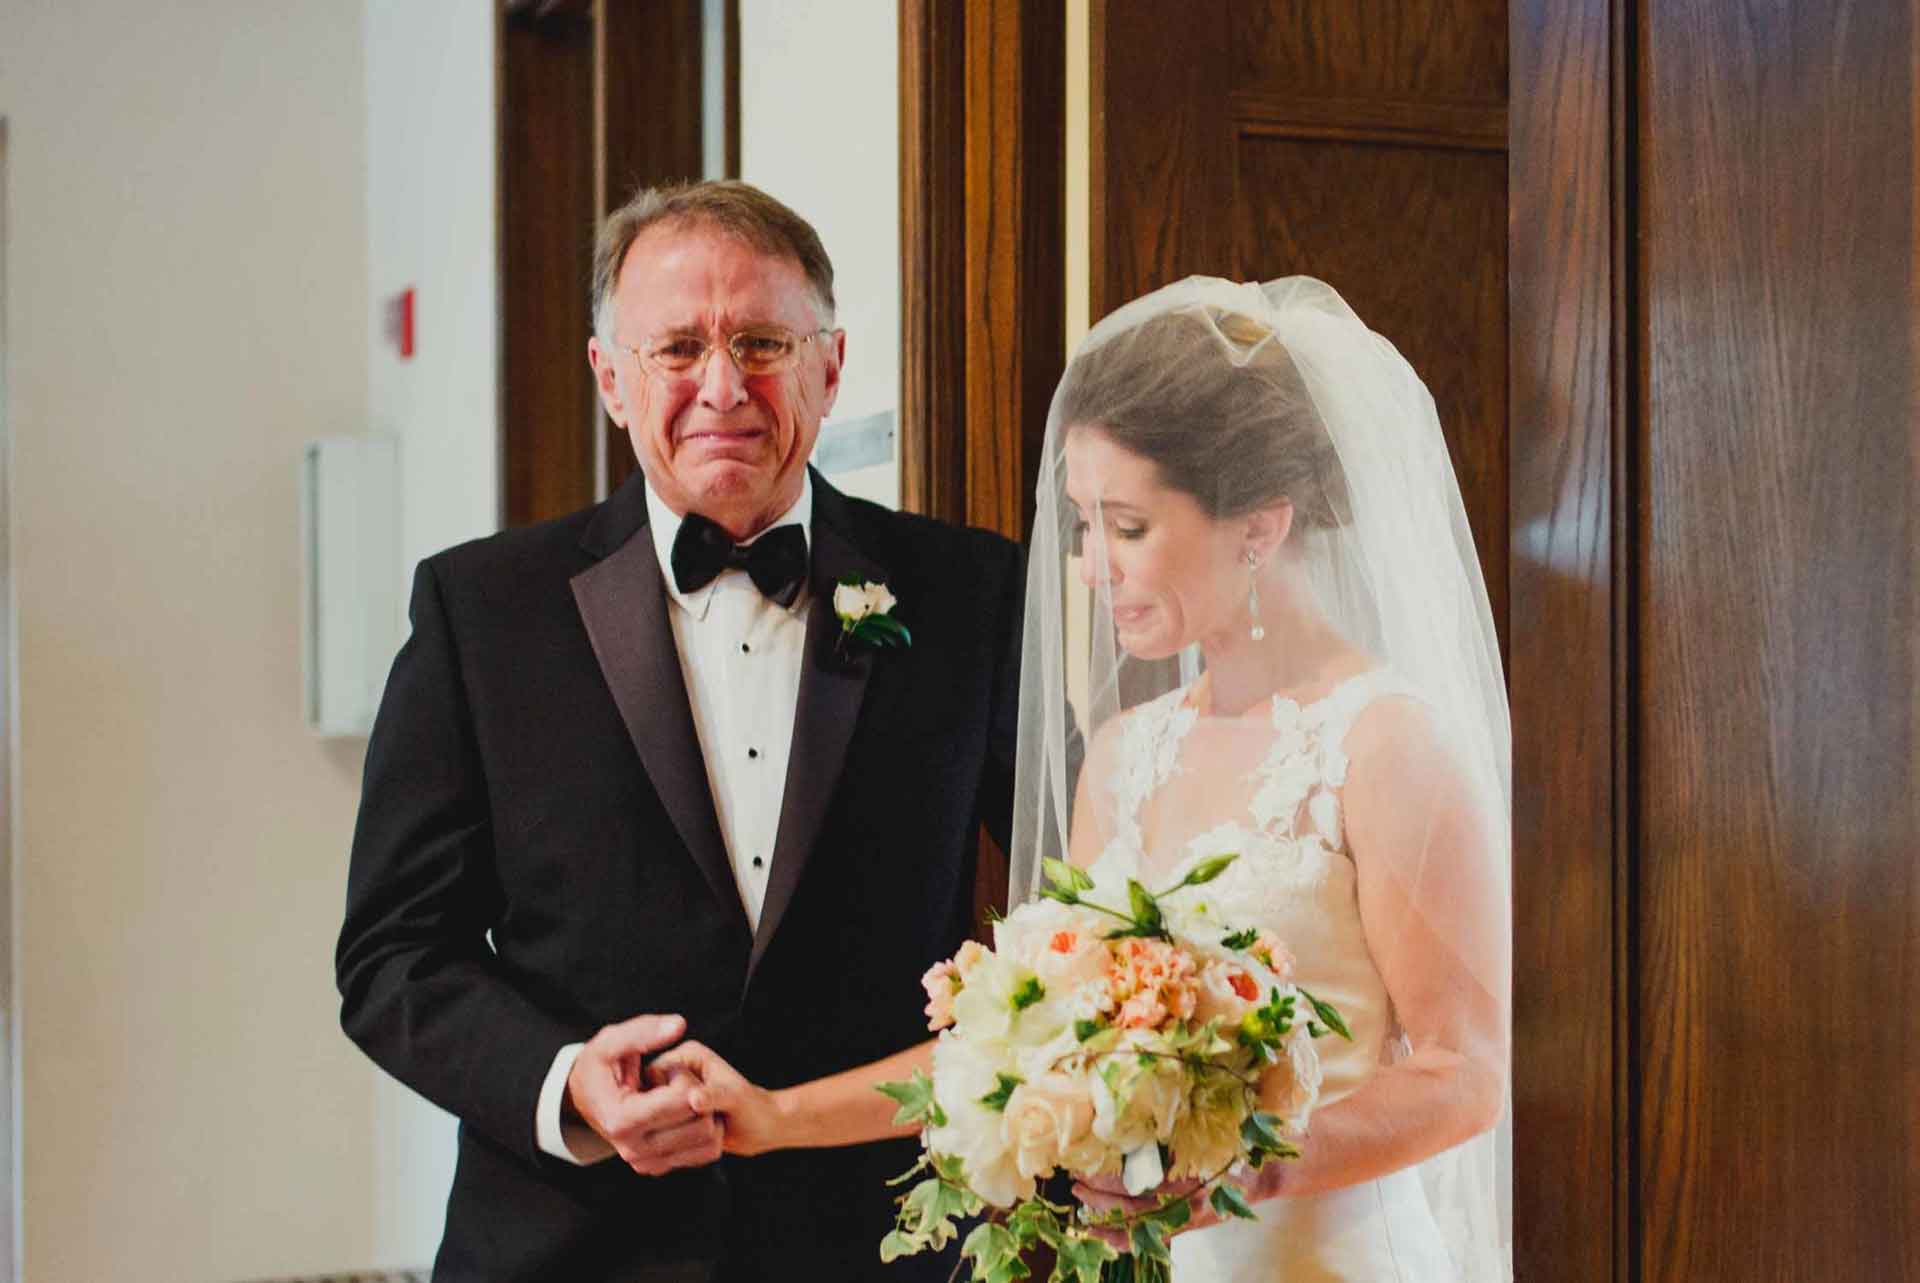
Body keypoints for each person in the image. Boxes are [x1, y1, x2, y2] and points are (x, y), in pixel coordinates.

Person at [665, 277, 1512, 1280]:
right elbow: (1021, 1038)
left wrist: (1250, 1167)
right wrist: (770, 1116)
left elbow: (1463, 1073)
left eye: (1129, 526)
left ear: (1260, 526)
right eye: (1081, 524)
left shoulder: (1382, 742)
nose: (1091, 566)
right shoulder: (1126, 752)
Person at [334, 180, 1022, 1282]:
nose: (723, 386)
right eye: (676, 349)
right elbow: (390, 955)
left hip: (882, 1248)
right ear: (611, 378)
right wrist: (563, 1082)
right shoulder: (482, 611)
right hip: (566, 1250)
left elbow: (1071, 912)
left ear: (830, 365)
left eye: (761, 341)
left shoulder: (969, 592)